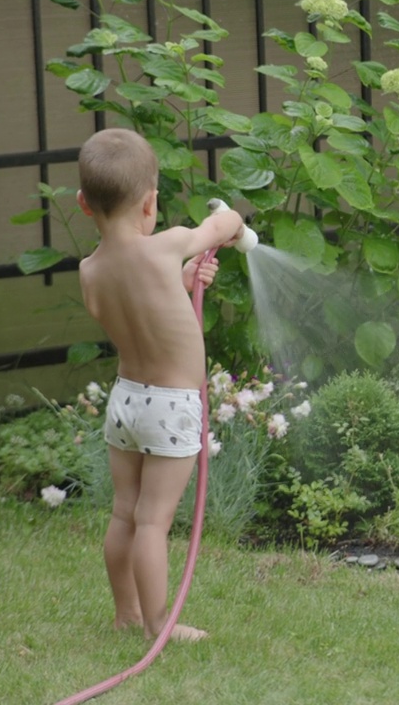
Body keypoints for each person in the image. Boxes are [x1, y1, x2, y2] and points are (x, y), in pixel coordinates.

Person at [75, 128, 244, 642]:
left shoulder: (90, 271)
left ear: (84, 204)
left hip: (126, 401)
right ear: (150, 203)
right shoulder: (167, 243)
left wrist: (186, 277)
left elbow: (135, 304)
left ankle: (125, 612)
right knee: (153, 522)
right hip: (171, 407)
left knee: (125, 513)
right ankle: (156, 625)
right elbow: (220, 225)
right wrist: (230, 221)